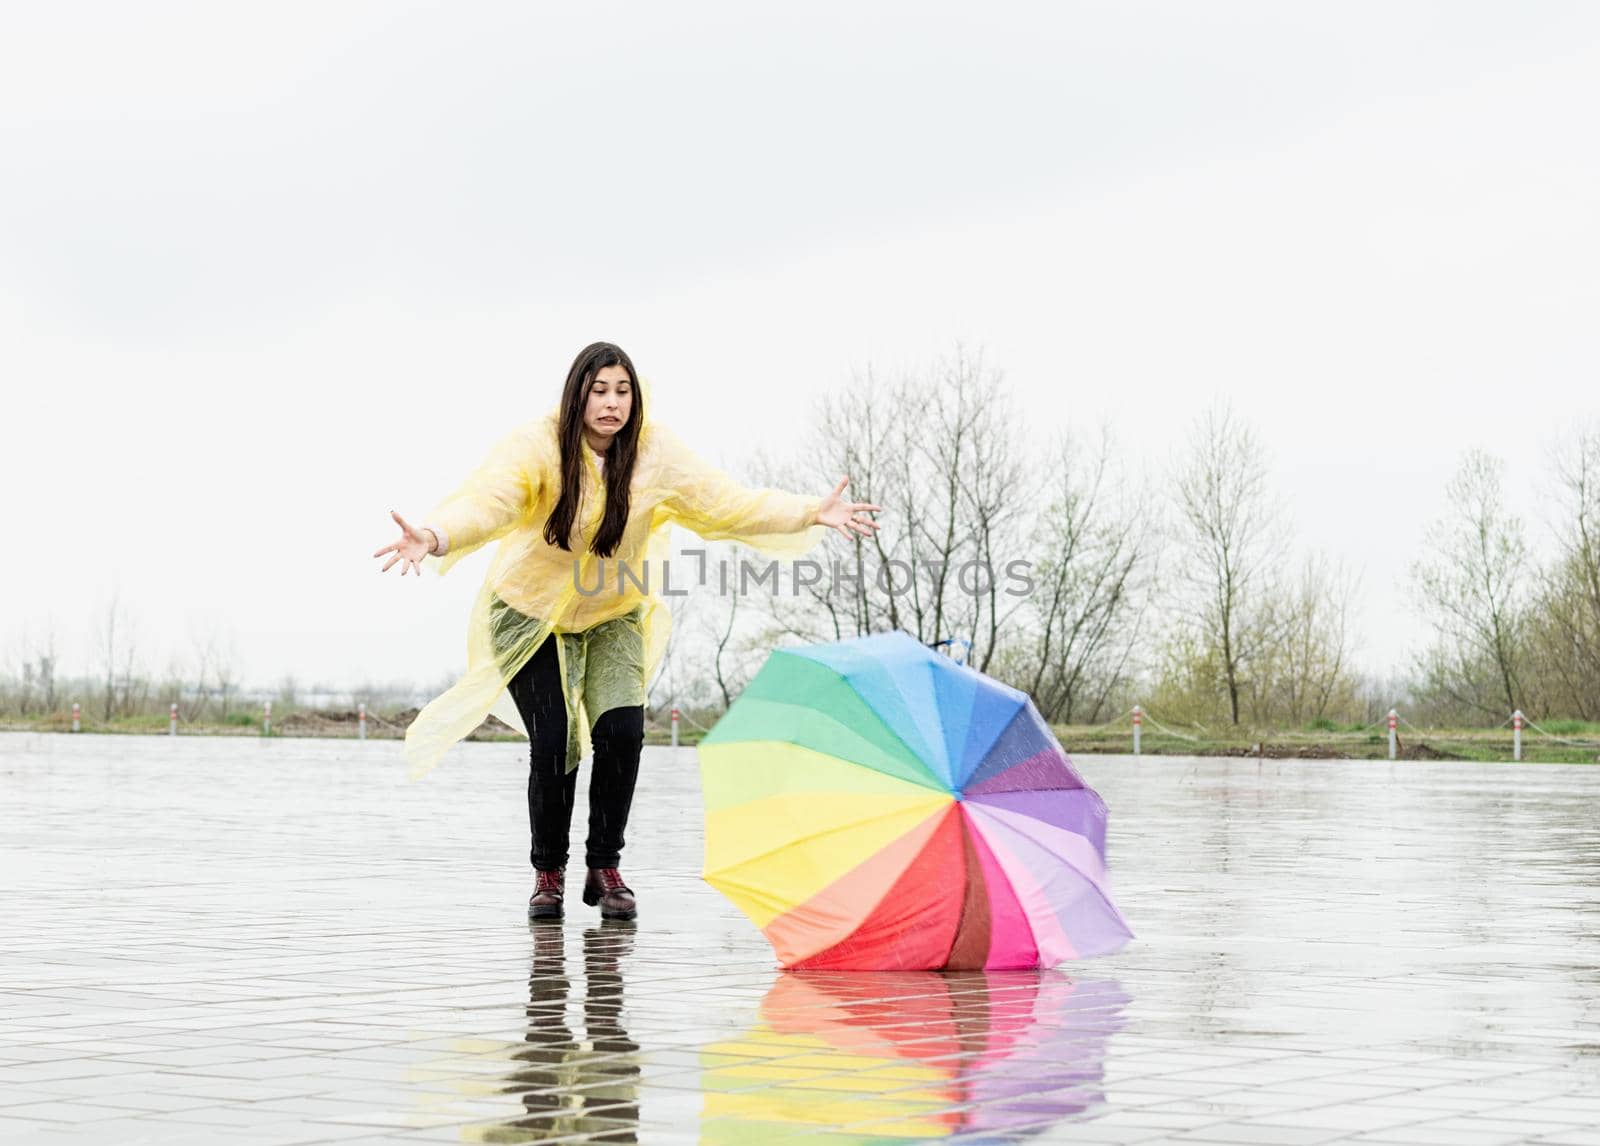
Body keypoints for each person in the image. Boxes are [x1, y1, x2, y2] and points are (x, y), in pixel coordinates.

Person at [373, 341, 879, 921]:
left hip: (611, 613)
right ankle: (548, 873)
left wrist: (809, 512)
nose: (611, 404)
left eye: (622, 391)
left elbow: (725, 505)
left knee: (622, 732)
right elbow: (490, 504)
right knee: (557, 739)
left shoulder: (654, 454)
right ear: (577, 395)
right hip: (529, 612)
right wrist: (435, 536)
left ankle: (604, 864)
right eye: (599, 391)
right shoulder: (537, 445)